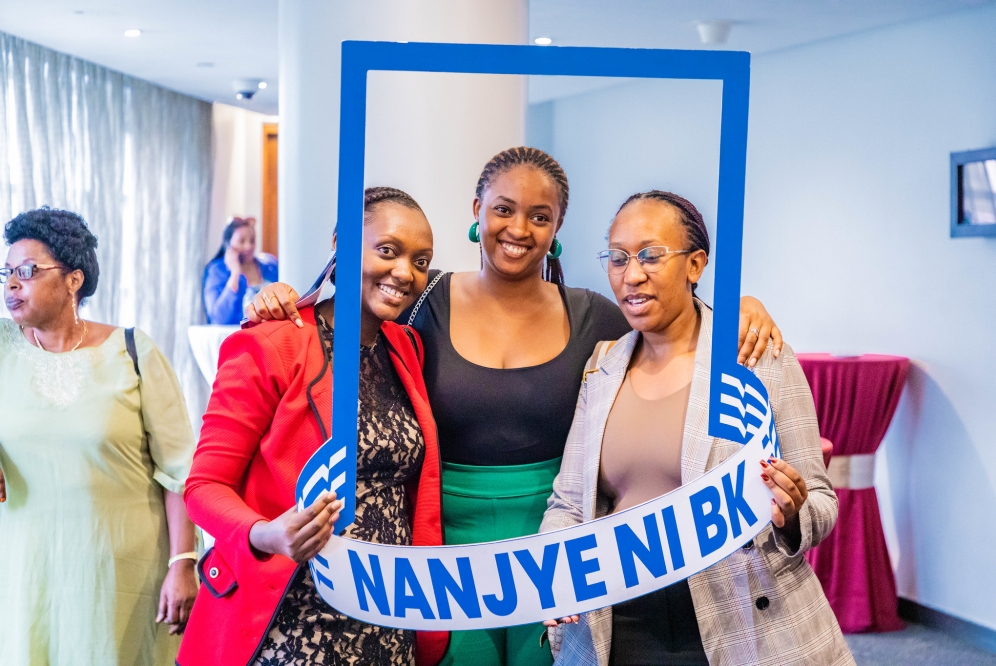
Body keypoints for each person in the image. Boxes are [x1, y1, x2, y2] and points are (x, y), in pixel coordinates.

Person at [247, 147, 784, 666]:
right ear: (476, 211)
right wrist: (281, 295)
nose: (519, 228)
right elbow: (353, 313)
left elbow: (673, 326)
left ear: (556, 230)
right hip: (442, 546)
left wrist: (740, 304)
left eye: (540, 216)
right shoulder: (422, 300)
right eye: (503, 209)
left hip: (555, 541)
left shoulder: (594, 315)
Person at [540, 191, 853, 666]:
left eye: (650, 255)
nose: (632, 274)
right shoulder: (602, 369)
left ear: (696, 265)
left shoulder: (755, 358)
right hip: (621, 624)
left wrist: (792, 513)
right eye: (618, 257)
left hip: (743, 618)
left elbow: (820, 499)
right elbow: (569, 501)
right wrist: (556, 575)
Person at [178, 188, 449, 666]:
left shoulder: (407, 348)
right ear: (340, 246)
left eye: (421, 260)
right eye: (387, 250)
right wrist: (267, 533)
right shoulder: (271, 343)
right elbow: (203, 487)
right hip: (293, 619)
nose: (405, 272)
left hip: (387, 620)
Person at [0, 207, 199, 665]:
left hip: (122, 575)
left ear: (74, 279)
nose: (12, 284)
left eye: (27, 271)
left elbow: (179, 473)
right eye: (7, 272)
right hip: (27, 575)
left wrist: (182, 562)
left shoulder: (133, 351)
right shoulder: (4, 351)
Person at [203, 216, 278, 325]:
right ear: (228, 244)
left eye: (252, 241)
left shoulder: (269, 265)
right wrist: (235, 273)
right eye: (241, 241)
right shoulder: (216, 271)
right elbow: (218, 319)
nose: (248, 246)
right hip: (237, 336)